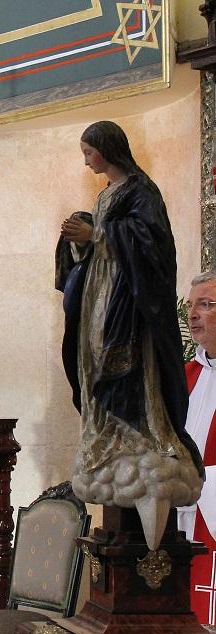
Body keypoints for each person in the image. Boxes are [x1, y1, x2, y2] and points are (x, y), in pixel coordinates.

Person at [56, 120, 202, 551]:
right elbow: (101, 244)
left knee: (125, 366)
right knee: (96, 362)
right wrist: (78, 241)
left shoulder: (142, 190)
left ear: (107, 149)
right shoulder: (105, 195)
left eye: (89, 151)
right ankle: (107, 433)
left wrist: (98, 233)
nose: (86, 159)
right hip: (100, 294)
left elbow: (152, 244)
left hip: (129, 303)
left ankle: (143, 434)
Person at [180, 271, 216, 625]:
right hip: (183, 519)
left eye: (206, 305)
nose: (193, 315)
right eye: (192, 306)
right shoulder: (185, 374)